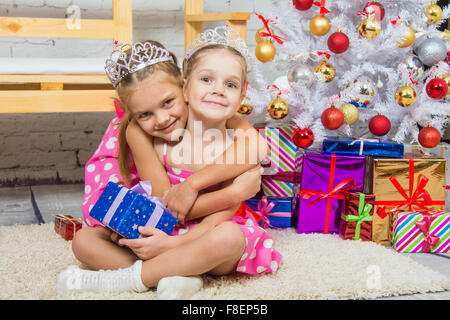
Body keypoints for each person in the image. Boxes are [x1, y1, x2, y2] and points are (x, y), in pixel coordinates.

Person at [57, 28, 281, 297]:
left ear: (180, 88)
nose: (162, 120)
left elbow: (222, 215)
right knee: (84, 240)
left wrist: (176, 242)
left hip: (207, 233)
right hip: (163, 223)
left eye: (167, 103)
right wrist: (234, 193)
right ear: (187, 86)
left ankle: (130, 279)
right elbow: (167, 202)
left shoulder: (236, 139)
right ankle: (186, 274)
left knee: (230, 238)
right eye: (145, 114)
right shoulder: (143, 134)